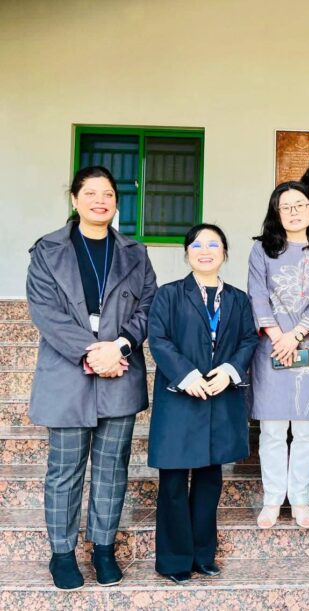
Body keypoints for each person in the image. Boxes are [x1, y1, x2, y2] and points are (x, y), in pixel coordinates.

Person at [26, 166, 157, 590]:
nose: (100, 200)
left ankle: (103, 548)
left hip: (119, 371)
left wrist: (117, 347)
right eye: (91, 193)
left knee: (110, 468)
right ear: (75, 199)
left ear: (116, 202)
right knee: (64, 470)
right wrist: (91, 352)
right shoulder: (48, 250)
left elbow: (149, 307)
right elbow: (45, 311)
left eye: (108, 194)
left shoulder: (135, 252)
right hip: (67, 374)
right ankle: (62, 553)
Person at [147, 223, 257, 584]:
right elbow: (159, 339)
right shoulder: (169, 294)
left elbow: (247, 340)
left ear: (225, 252)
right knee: (175, 483)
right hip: (181, 399)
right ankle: (174, 559)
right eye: (197, 244)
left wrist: (229, 370)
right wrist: (187, 375)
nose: (205, 250)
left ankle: (202, 555)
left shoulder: (239, 299)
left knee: (210, 480)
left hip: (220, 399)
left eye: (214, 244)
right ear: (187, 253)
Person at [247, 181, 309, 530]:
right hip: (271, 345)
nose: (294, 211)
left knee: (306, 430)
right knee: (271, 429)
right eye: (286, 206)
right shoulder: (261, 251)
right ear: (276, 212)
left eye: (300, 205)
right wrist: (277, 336)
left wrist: (297, 335)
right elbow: (257, 295)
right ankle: (273, 499)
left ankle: (299, 498)